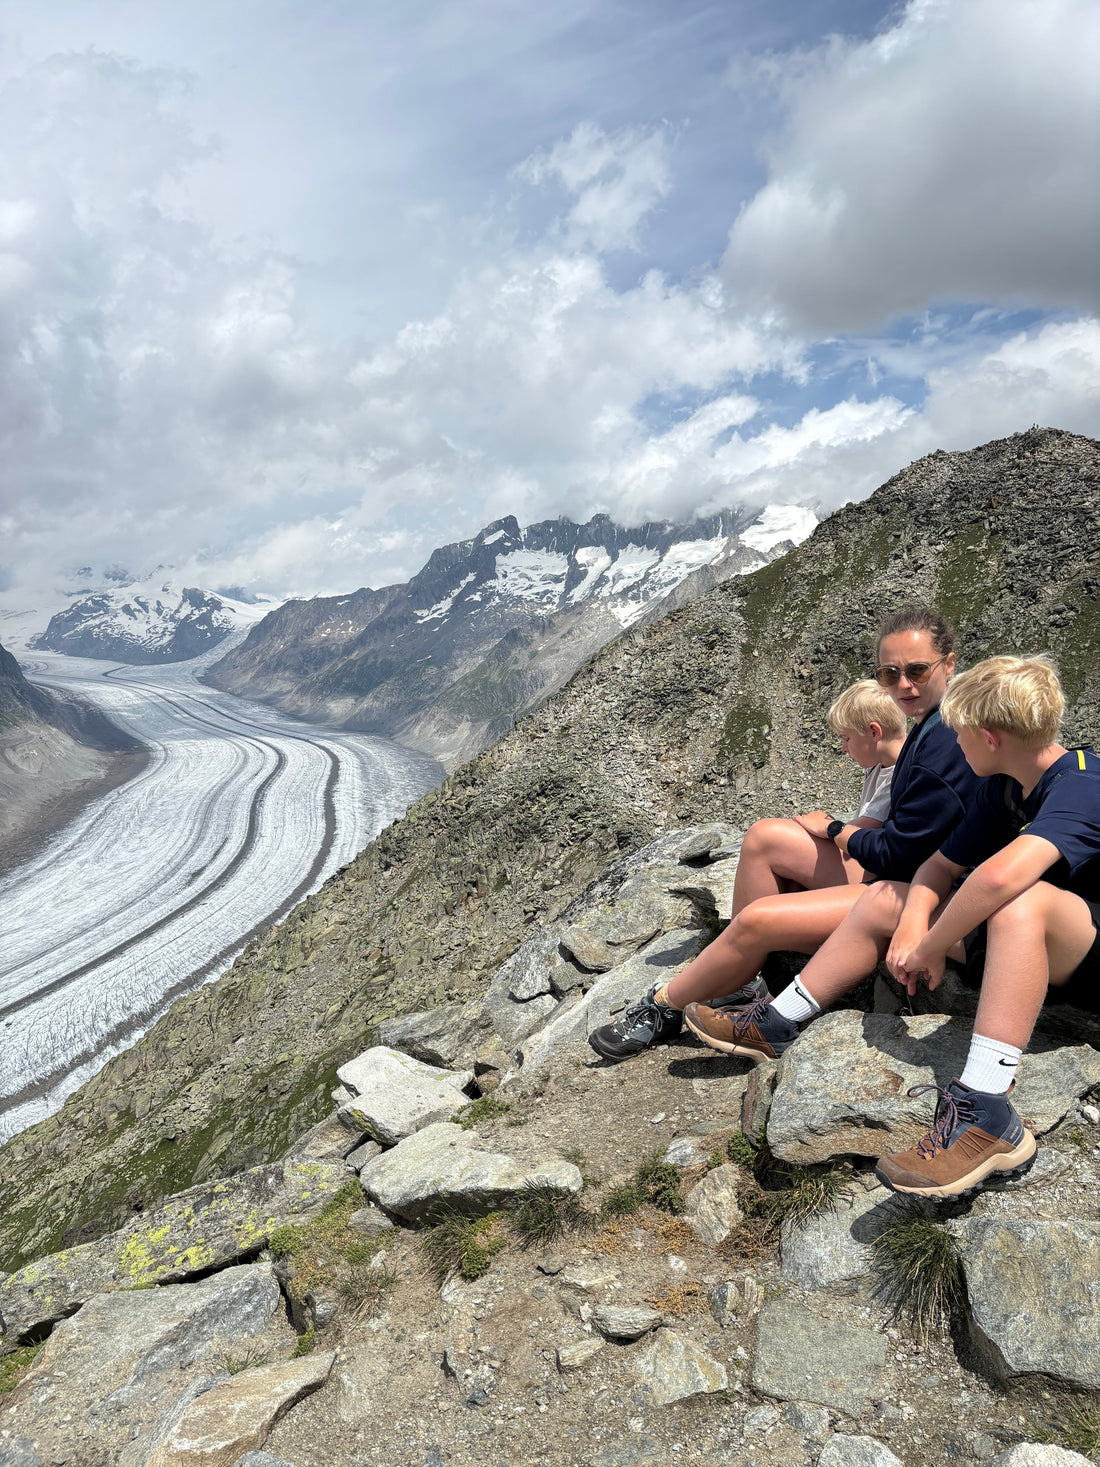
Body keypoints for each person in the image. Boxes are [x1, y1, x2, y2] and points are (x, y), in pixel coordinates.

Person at [686, 655, 1100, 1198]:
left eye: (959, 736)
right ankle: (780, 1022)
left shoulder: (1084, 783)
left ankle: (986, 1109)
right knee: (885, 898)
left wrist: (930, 944)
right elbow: (938, 866)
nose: (955, 747)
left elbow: (999, 879)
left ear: (990, 737)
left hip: (1084, 952)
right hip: (1026, 941)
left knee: (1023, 902)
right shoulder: (1005, 784)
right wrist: (908, 928)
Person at [589, 605, 978, 1062]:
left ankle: (664, 1006)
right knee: (766, 838)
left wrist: (833, 829)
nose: (903, 685)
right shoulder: (931, 726)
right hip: (903, 884)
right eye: (890, 674)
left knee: (760, 918)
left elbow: (895, 854)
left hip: (906, 891)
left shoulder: (945, 742)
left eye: (916, 670)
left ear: (948, 664)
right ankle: (735, 976)